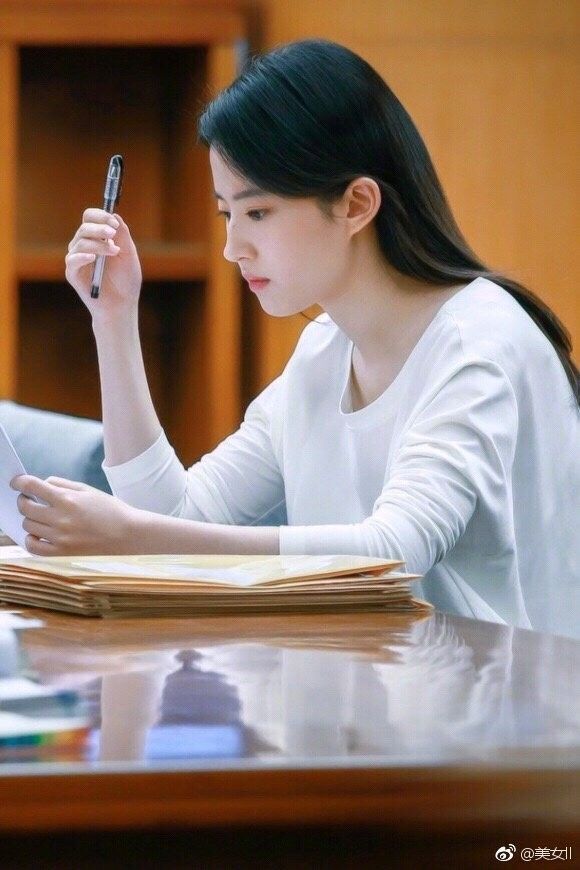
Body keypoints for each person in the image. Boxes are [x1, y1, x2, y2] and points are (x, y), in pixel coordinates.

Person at [12, 39, 579, 634]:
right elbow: (175, 515)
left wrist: (129, 537)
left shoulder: (480, 342)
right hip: (390, 694)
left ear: (357, 202)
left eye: (257, 213)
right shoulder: (325, 349)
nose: (233, 248)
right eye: (226, 215)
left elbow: (392, 553)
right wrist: (114, 318)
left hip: (516, 714)